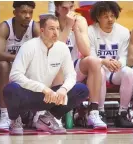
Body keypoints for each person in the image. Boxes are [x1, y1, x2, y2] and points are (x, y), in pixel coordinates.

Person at [3, 15, 89, 134]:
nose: (56, 32)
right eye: (52, 29)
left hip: (49, 97)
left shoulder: (62, 48)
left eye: (58, 29)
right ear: (42, 31)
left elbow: (71, 75)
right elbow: (15, 75)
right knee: (11, 89)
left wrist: (63, 89)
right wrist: (42, 88)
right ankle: (15, 119)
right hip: (28, 95)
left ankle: (47, 118)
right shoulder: (28, 47)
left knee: (81, 89)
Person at [53, 1, 107, 130]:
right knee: (58, 66)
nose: (69, 12)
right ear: (57, 8)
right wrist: (67, 27)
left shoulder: (81, 21)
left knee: (94, 61)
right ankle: (54, 115)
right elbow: (56, 51)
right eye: (65, 8)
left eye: (71, 7)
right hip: (54, 68)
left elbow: (86, 52)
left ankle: (93, 112)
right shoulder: (51, 22)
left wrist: (75, 29)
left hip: (74, 67)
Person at [0, 1, 40, 132]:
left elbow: (42, 53)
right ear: (15, 13)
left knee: (42, 65)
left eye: (30, 12)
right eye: (23, 12)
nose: (28, 16)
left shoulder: (34, 27)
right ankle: (5, 115)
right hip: (8, 71)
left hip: (27, 70)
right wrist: (19, 58)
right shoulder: (4, 27)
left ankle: (40, 114)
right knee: (3, 65)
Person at [88, 1, 133, 128]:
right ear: (98, 17)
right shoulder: (90, 31)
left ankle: (122, 113)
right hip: (99, 68)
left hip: (115, 70)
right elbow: (91, 55)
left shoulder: (123, 32)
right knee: (100, 71)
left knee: (129, 72)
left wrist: (120, 63)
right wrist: (103, 62)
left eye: (112, 16)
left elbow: (124, 55)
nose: (110, 20)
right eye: (106, 16)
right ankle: (100, 111)